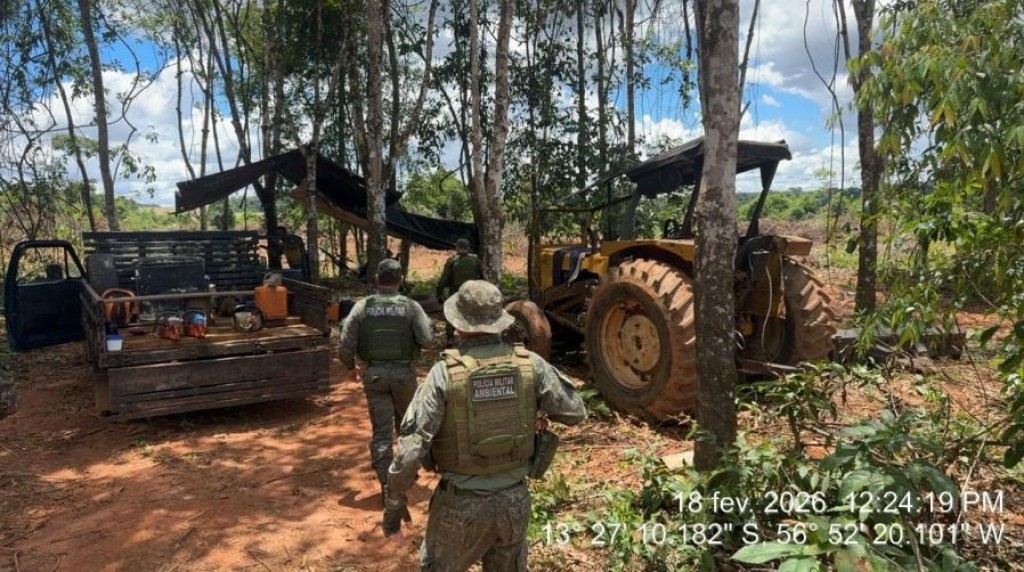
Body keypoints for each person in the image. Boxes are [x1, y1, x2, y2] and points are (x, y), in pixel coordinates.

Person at [383, 280, 587, 571]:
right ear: (499, 322)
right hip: (513, 503)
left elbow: (411, 450)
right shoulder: (531, 365)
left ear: (459, 325)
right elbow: (575, 412)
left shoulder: (443, 374)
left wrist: (394, 501)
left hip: (459, 507)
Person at [338, 258, 435, 498]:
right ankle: (406, 474)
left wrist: (350, 367)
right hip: (404, 376)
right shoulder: (411, 307)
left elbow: (345, 343)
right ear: (401, 280)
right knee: (408, 427)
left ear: (376, 279)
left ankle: (386, 485)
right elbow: (427, 340)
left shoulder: (362, 307)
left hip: (375, 377)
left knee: (381, 432)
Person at [435, 238, 484, 345]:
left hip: (455, 292)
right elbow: (483, 278)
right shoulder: (476, 261)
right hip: (471, 292)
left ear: (457, 248)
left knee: (451, 313)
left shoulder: (452, 261)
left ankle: (450, 338)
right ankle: (472, 337)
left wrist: (439, 293)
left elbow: (443, 279)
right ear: (468, 248)